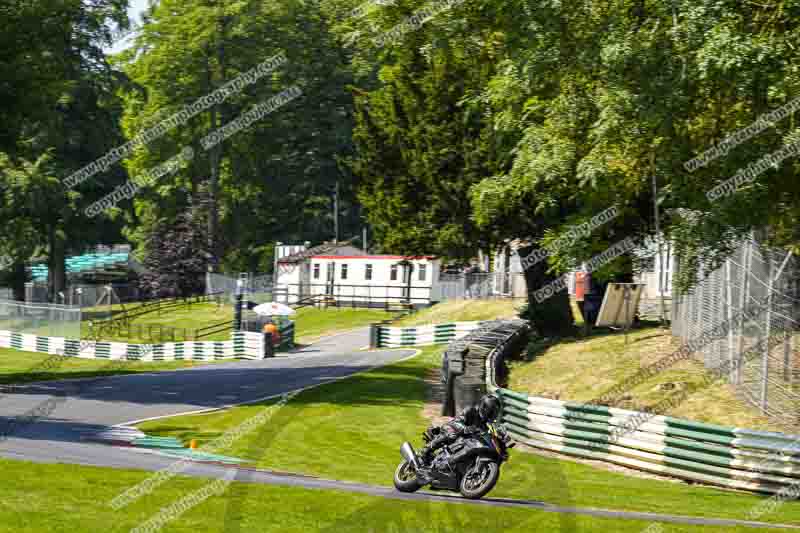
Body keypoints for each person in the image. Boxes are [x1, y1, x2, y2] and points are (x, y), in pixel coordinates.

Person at [416, 394, 501, 480]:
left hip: (464, 442)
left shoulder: (485, 426)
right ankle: (425, 452)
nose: (492, 415)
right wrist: (465, 428)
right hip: (452, 428)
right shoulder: (471, 410)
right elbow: (457, 421)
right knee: (452, 434)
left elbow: (487, 436)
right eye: (491, 412)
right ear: (484, 407)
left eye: (494, 413)